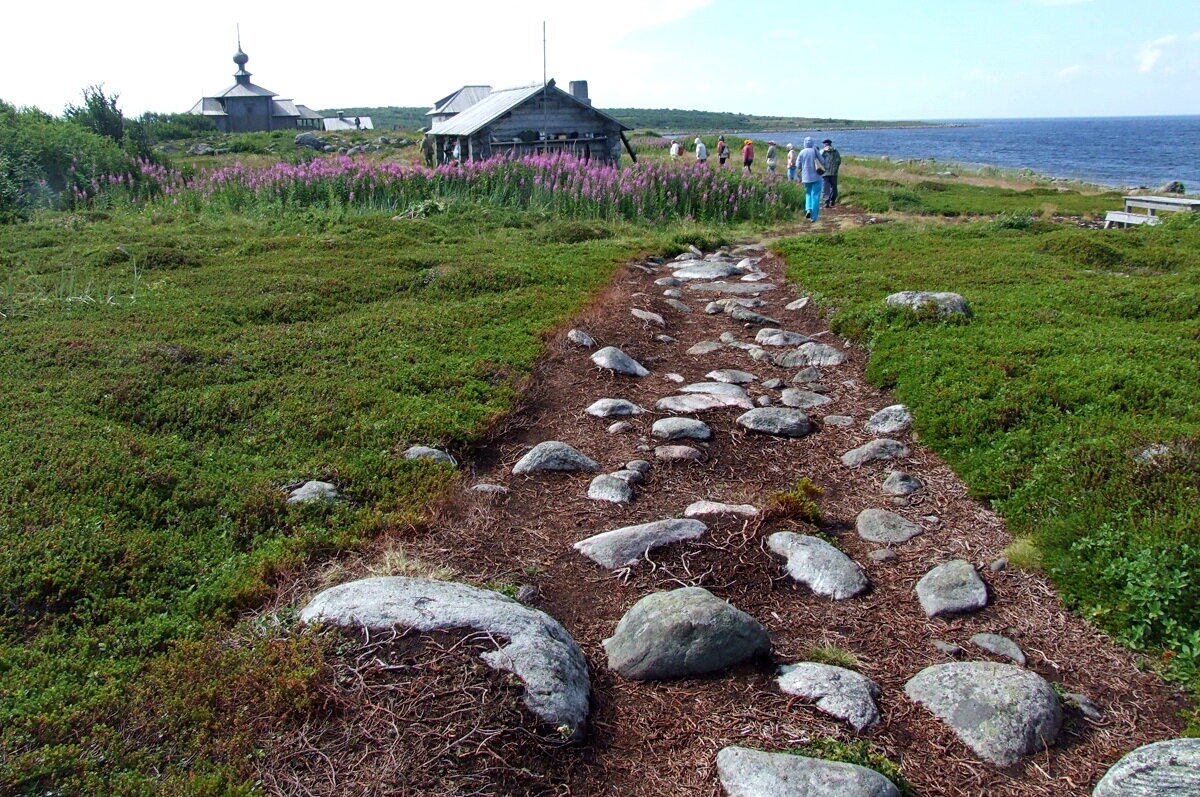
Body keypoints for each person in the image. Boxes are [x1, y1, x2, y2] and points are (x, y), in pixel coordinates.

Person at [798, 137, 826, 221]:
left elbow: (798, 165)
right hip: (816, 176)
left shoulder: (801, 152)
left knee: (808, 194)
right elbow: (823, 161)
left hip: (806, 177)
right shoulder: (815, 150)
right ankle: (814, 217)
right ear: (812, 143)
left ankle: (808, 209)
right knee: (816, 195)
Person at [820, 139, 842, 208]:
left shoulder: (822, 151)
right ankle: (833, 200)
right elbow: (838, 161)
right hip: (833, 172)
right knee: (834, 187)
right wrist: (835, 168)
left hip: (824, 173)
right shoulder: (836, 151)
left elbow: (819, 161)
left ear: (825, 144)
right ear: (830, 144)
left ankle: (826, 201)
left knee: (825, 187)